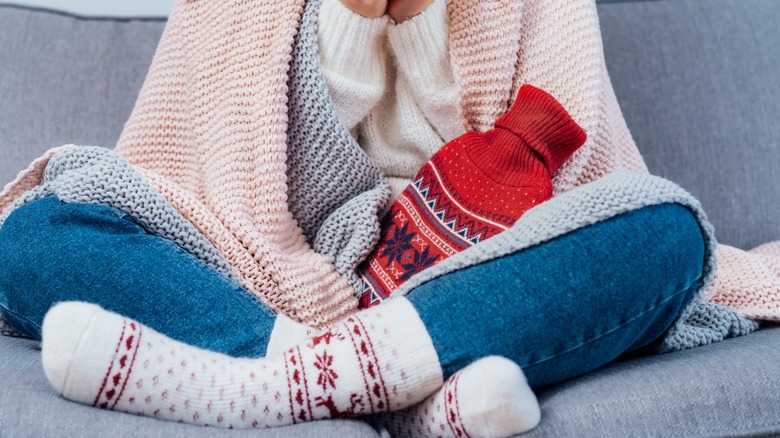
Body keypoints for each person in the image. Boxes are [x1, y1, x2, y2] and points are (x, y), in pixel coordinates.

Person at [0, 0, 728, 436]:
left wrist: (418, 19)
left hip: (469, 271)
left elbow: (547, 165)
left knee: (666, 231)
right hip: (267, 268)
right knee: (35, 232)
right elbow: (225, 175)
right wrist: (350, 17)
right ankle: (409, 403)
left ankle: (259, 387)